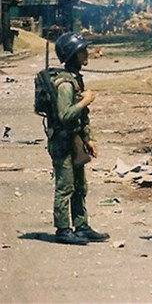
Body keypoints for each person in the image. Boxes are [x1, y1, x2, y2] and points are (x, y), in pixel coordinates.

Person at [48, 32, 109, 245]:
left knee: (80, 185)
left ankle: (81, 225)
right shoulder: (65, 84)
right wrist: (86, 101)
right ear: (73, 54)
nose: (87, 53)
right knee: (66, 186)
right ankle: (63, 229)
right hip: (63, 141)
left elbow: (83, 118)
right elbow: (65, 115)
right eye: (82, 50)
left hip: (74, 140)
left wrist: (88, 139)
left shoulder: (75, 79)